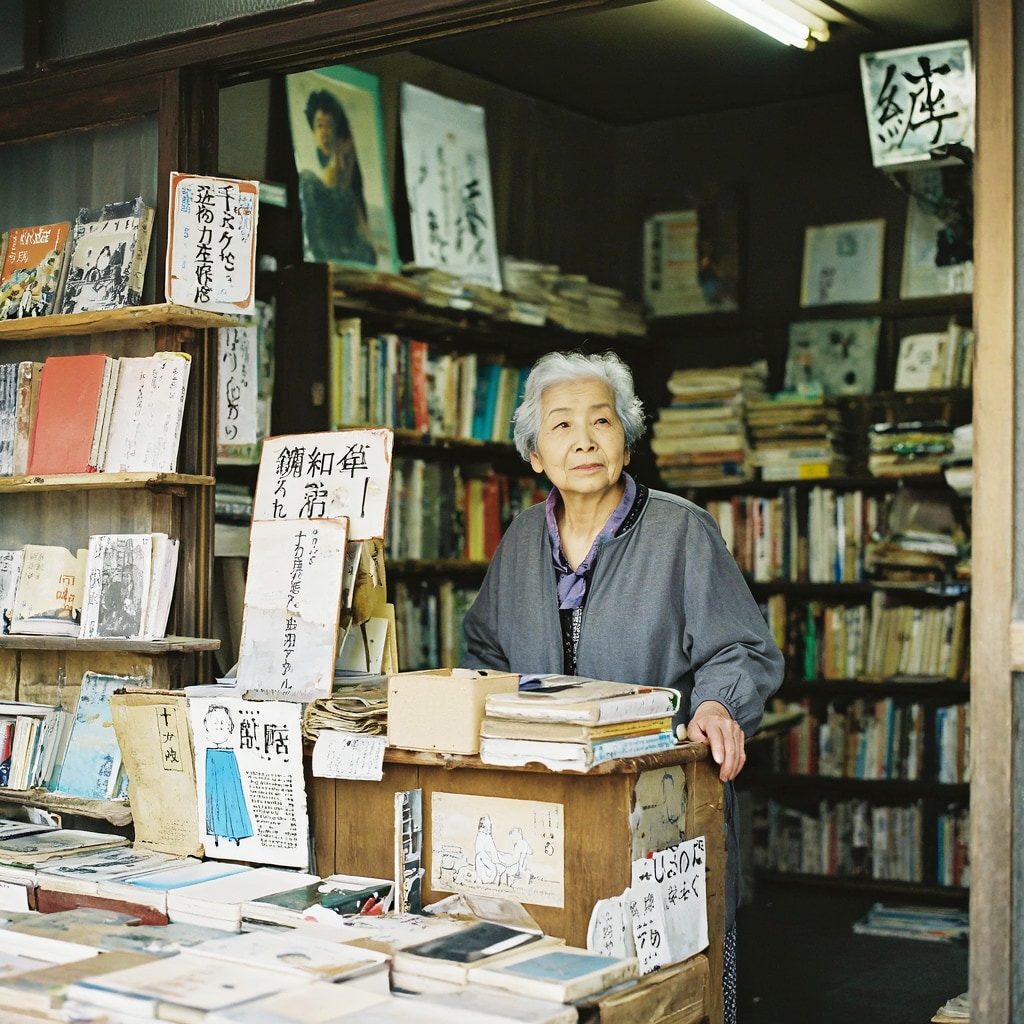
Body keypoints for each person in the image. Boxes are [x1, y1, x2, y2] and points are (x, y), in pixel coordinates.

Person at [460, 349, 784, 1024]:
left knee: (668, 983)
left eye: (601, 421)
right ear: (535, 455)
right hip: (545, 803)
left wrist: (719, 703)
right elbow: (482, 653)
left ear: (626, 443)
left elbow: (741, 648)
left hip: (656, 801)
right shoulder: (521, 539)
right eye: (561, 425)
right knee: (557, 978)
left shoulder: (681, 530)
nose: (583, 438)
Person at [298, 88, 377, 266]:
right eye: (319, 125)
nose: (325, 132)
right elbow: (318, 246)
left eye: (330, 125)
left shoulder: (348, 197)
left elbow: (368, 255)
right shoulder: (309, 183)